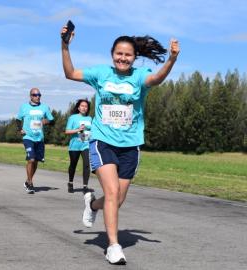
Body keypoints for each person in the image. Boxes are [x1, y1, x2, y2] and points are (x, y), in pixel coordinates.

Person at [61, 25, 180, 264]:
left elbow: (157, 78)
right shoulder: (101, 74)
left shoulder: (139, 76)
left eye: (128, 54)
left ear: (134, 57)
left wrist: (172, 59)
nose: (123, 58)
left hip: (130, 144)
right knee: (113, 193)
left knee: (117, 199)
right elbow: (70, 73)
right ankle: (113, 246)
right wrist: (65, 45)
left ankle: (93, 204)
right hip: (102, 141)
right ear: (112, 54)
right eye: (119, 53)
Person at [16, 88, 54, 194]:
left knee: (36, 161)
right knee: (31, 159)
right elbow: (18, 119)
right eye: (35, 95)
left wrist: (47, 121)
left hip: (39, 138)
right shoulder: (24, 107)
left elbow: (52, 120)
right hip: (28, 137)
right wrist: (20, 129)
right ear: (30, 96)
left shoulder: (45, 107)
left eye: (39, 95)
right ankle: (30, 183)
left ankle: (28, 180)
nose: (37, 97)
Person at [64, 99, 92, 193]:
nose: (84, 108)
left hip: (86, 144)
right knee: (73, 165)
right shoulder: (73, 117)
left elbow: (91, 131)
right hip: (75, 145)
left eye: (86, 106)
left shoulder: (90, 119)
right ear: (79, 107)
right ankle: (70, 183)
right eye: (82, 106)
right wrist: (78, 130)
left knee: (87, 164)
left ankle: (85, 186)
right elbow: (67, 131)